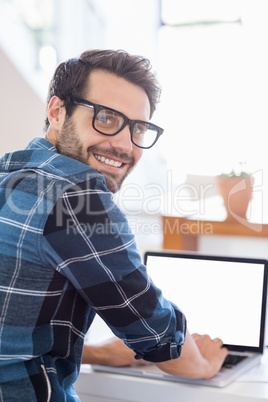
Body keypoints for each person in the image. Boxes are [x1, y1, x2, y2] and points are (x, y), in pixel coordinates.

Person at [0, 49, 227, 401]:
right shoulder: (78, 197)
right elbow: (156, 337)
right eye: (106, 118)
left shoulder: (7, 174)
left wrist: (98, 352)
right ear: (57, 112)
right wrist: (204, 365)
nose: (124, 144)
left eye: (138, 128)